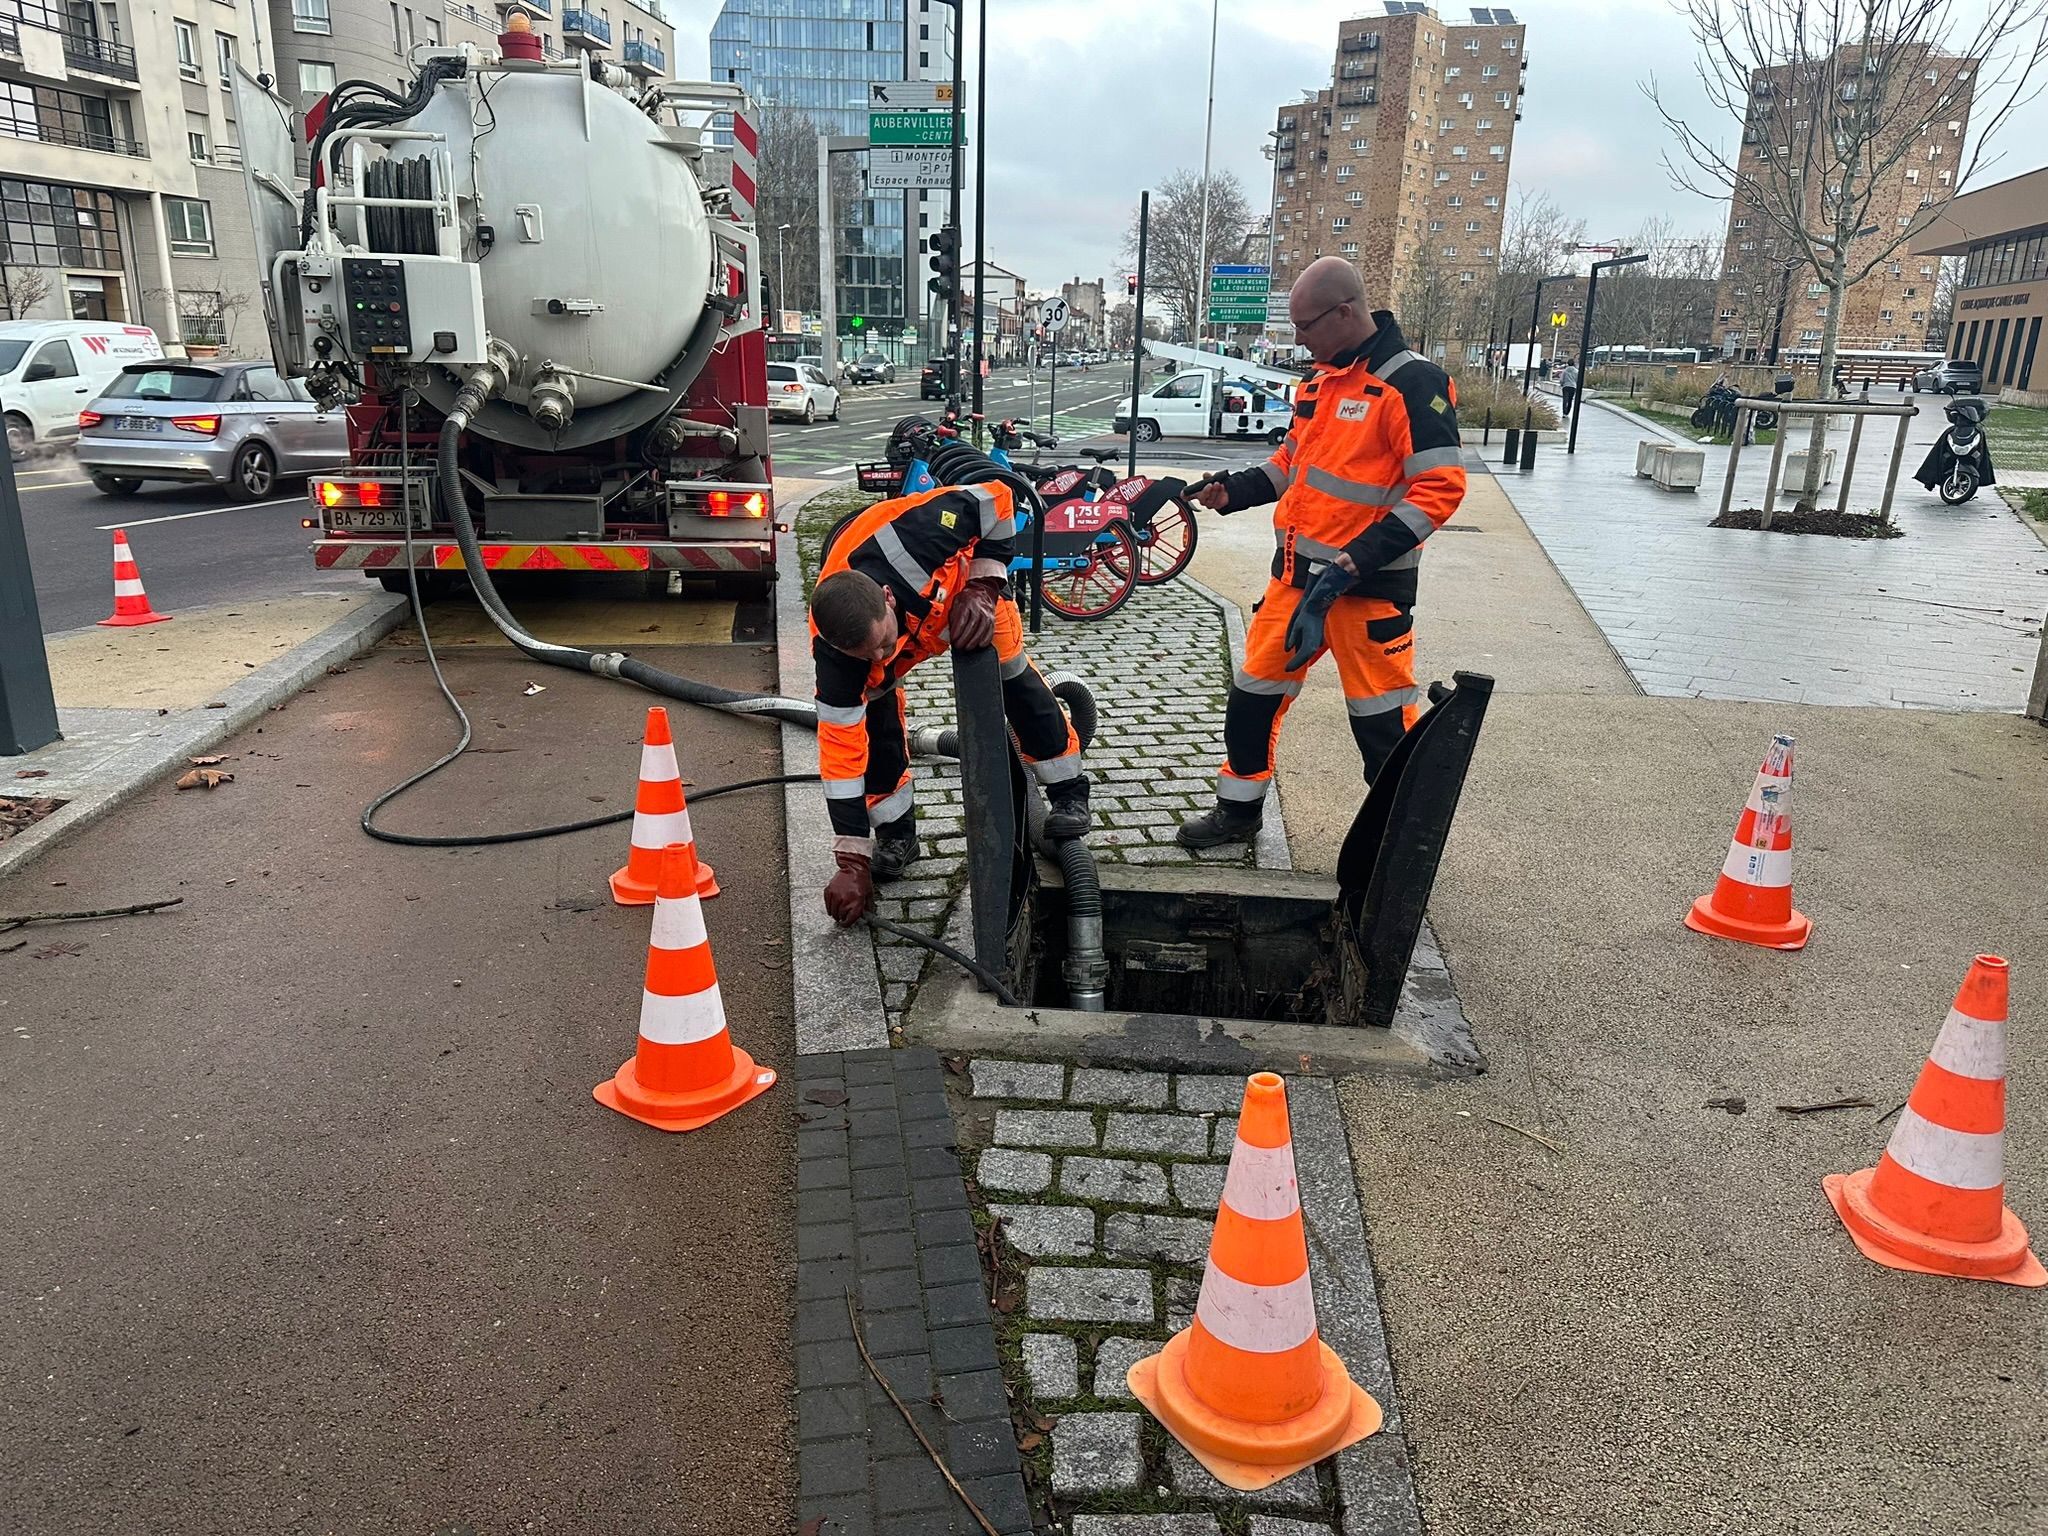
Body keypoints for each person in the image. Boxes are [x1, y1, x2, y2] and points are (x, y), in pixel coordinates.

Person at [1178, 257, 1466, 849]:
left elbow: (1440, 488)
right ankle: (1238, 814)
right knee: (1253, 698)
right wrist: (1233, 490)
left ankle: (1397, 846)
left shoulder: (1411, 383)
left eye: (1306, 327)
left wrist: (1350, 565)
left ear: (1345, 312)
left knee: (1382, 724)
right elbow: (1290, 466)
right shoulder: (1317, 382)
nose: (1300, 340)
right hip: (1293, 584)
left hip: (1367, 592)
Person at [810, 483, 1088, 924]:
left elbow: (997, 499)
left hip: (967, 597)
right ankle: (897, 836)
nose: (882, 658)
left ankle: (1069, 794)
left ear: (886, 596)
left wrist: (982, 586)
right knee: (877, 728)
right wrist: (851, 862)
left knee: (1015, 684)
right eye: (869, 656)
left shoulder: (916, 537)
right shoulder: (839, 661)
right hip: (909, 629)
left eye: (882, 644)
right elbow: (841, 760)